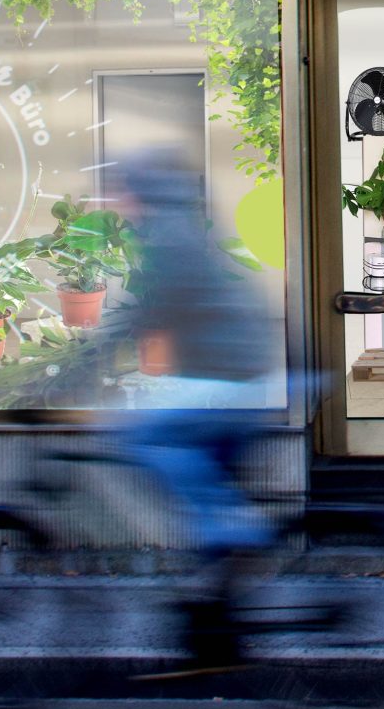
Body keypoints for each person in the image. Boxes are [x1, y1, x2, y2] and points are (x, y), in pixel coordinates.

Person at [110, 150, 280, 650]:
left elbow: (147, 311)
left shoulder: (170, 236)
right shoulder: (183, 227)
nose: (120, 204)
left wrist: (80, 362)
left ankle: (236, 532)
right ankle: (216, 617)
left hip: (229, 375)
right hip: (234, 371)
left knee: (145, 438)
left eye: (124, 193)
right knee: (197, 469)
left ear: (141, 194)